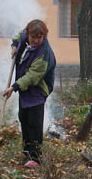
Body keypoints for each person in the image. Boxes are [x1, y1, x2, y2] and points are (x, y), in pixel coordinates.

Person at [3, 19, 56, 168]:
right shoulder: (25, 35)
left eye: (40, 38)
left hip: (38, 90)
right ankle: (27, 151)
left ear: (44, 36)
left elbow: (32, 76)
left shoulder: (45, 54)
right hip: (26, 89)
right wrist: (14, 46)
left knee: (34, 122)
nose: (36, 41)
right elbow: (18, 36)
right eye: (33, 38)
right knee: (23, 118)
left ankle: (36, 157)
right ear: (29, 34)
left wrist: (14, 87)